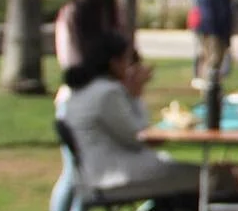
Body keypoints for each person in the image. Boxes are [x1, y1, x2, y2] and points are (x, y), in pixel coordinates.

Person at [47, 0, 132, 211]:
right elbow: (72, 61)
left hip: (107, 96)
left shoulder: (110, 11)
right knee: (74, 168)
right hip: (78, 99)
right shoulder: (75, 12)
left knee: (92, 168)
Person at [61, 31, 199, 202]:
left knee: (187, 172)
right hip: (115, 177)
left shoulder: (84, 90)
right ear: (114, 63)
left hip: (97, 174)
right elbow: (138, 137)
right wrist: (136, 92)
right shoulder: (107, 92)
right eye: (127, 60)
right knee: (208, 176)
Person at [193, 0, 235, 81]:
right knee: (214, 61)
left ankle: (209, 86)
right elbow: (223, 12)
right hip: (215, 29)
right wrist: (226, 34)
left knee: (209, 58)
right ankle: (210, 90)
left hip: (204, 26)